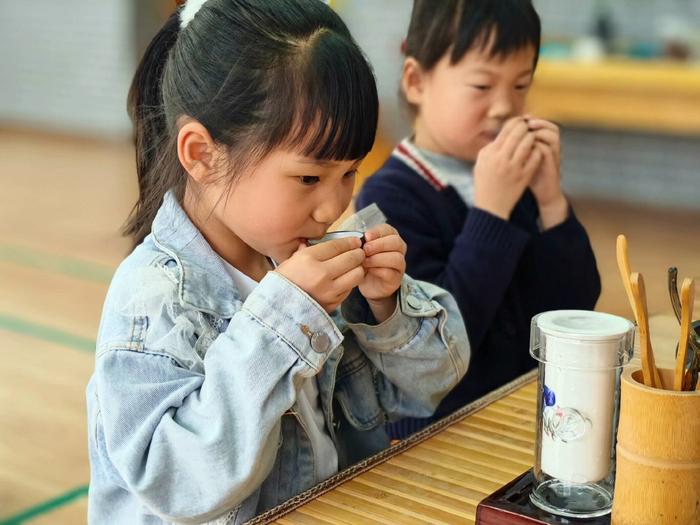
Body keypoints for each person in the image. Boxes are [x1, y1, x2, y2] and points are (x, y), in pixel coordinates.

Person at [86, 0, 470, 523]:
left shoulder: (298, 256)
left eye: (349, 173)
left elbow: (430, 385)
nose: (334, 206)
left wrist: (388, 309)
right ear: (202, 155)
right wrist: (285, 319)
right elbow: (180, 482)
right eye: (310, 178)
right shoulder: (152, 299)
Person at [356, 0, 601, 438]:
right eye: (482, 86)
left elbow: (576, 307)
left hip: (523, 413)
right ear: (416, 82)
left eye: (521, 85)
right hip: (440, 435)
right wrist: (490, 212)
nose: (505, 106)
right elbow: (437, 349)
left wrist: (550, 201)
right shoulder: (389, 199)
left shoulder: (515, 178)